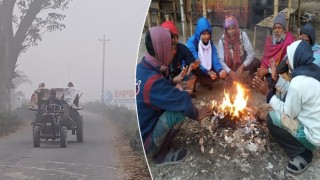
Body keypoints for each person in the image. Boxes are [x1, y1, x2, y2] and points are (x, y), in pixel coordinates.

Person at [136, 27, 211, 166]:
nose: (174, 50)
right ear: (162, 48)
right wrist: (196, 114)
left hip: (139, 133)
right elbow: (183, 102)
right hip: (146, 144)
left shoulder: (142, 67)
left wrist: (171, 82)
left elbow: (158, 91)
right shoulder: (153, 81)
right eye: (172, 46)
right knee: (179, 111)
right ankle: (161, 156)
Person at [253, 40, 320, 175]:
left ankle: (303, 153)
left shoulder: (299, 82)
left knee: (272, 119)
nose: (287, 63)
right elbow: (294, 92)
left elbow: (286, 113)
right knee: (284, 99)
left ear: (297, 58)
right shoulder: (313, 70)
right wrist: (276, 79)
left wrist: (268, 94)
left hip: (314, 136)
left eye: (288, 59)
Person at [160, 20, 200, 96]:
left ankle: (182, 92)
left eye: (174, 37)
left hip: (178, 77)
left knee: (193, 73)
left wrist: (192, 65)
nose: (172, 40)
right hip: (164, 83)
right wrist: (173, 82)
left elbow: (190, 58)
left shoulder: (181, 48)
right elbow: (156, 81)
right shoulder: (158, 54)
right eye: (169, 37)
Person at [186, 17, 227, 89]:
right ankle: (192, 86)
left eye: (208, 33)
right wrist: (207, 72)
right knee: (193, 67)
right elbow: (196, 61)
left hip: (205, 69)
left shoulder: (210, 43)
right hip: (195, 67)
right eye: (204, 34)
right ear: (199, 33)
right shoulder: (191, 43)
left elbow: (214, 57)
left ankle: (206, 82)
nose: (207, 36)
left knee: (219, 70)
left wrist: (220, 70)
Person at [218, 15, 260, 84]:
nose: (231, 31)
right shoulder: (222, 41)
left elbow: (251, 53)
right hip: (229, 65)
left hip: (241, 61)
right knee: (222, 73)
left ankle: (250, 77)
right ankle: (229, 79)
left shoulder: (242, 35)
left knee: (257, 62)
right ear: (225, 30)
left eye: (232, 28)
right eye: (228, 29)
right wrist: (230, 72)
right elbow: (221, 60)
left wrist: (242, 67)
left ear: (236, 27)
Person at [256, 13, 295, 79]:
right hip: (268, 70)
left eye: (279, 28)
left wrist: (266, 71)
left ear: (284, 30)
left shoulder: (289, 43)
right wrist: (261, 70)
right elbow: (265, 59)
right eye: (275, 28)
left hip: (281, 72)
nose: (277, 30)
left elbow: (283, 66)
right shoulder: (269, 41)